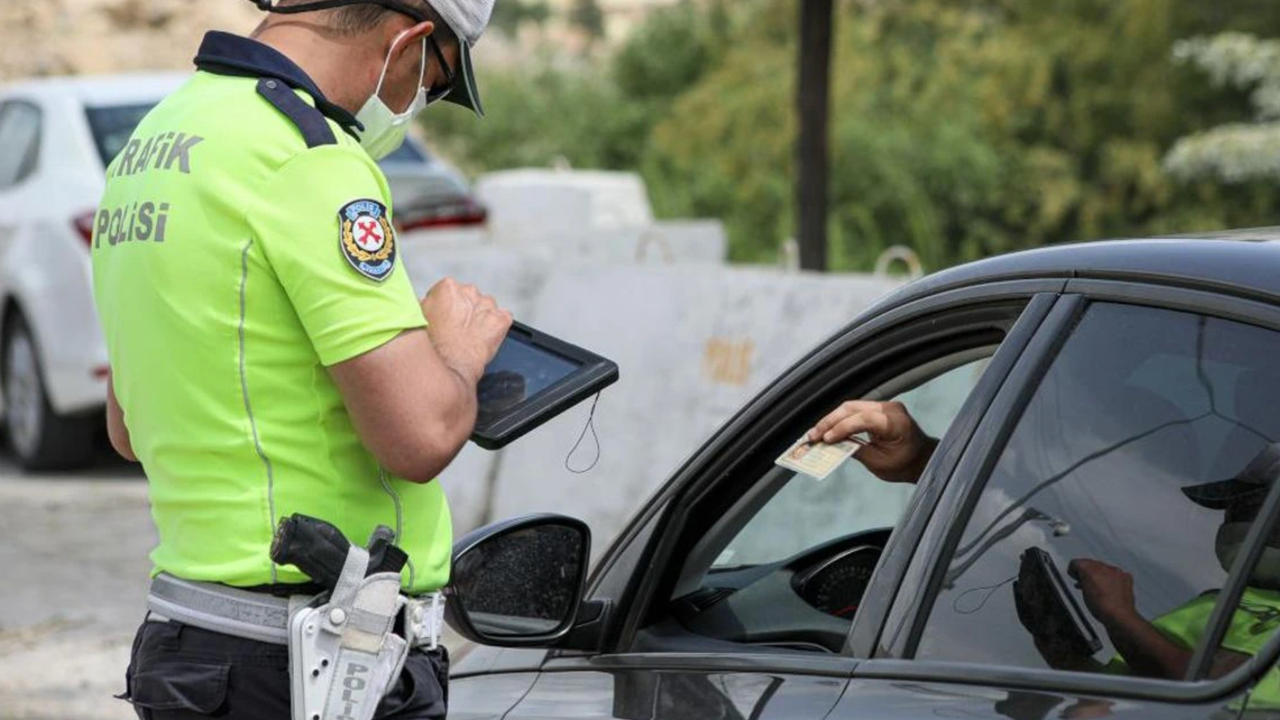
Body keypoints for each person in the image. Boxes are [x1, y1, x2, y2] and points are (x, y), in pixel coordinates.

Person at [92, 1, 506, 718]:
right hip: (308, 662)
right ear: (408, 39)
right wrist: (456, 352)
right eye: (435, 83)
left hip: (192, 648)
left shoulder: (154, 142)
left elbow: (128, 428)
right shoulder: (308, 157)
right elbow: (420, 434)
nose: (419, 105)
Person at [810, 400, 1280, 695]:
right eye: (1230, 509)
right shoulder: (1219, 596)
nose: (1229, 524)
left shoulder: (1198, 584)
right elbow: (1119, 696)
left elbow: (1215, 689)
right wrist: (1060, 651)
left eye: (1248, 511)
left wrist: (1119, 615)